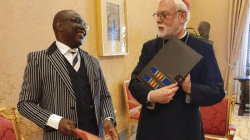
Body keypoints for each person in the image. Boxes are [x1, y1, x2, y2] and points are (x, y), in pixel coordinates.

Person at [128, 0, 225, 140]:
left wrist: (191, 88)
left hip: (185, 129)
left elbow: (218, 91)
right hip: (151, 129)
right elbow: (134, 83)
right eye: (157, 15)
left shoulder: (203, 49)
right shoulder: (149, 47)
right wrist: (151, 95)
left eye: (164, 15)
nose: (158, 20)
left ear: (182, 16)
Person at [17, 10, 119, 140]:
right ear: (59, 25)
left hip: (94, 135)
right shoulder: (39, 60)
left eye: (85, 25)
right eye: (77, 21)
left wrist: (108, 118)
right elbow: (24, 103)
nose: (83, 27)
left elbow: (104, 96)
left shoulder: (92, 61)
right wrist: (55, 121)